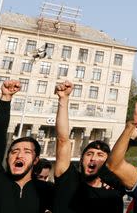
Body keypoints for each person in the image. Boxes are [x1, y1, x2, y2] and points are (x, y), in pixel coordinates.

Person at [0, 80, 55, 213]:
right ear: (8, 157)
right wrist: (6, 99)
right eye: (14, 151)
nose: (19, 155)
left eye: (27, 151)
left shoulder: (45, 191)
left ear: (35, 160)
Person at [52, 80, 125, 213]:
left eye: (100, 155)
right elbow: (63, 140)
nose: (93, 159)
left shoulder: (113, 196)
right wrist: (63, 99)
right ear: (81, 159)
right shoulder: (68, 180)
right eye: (89, 154)